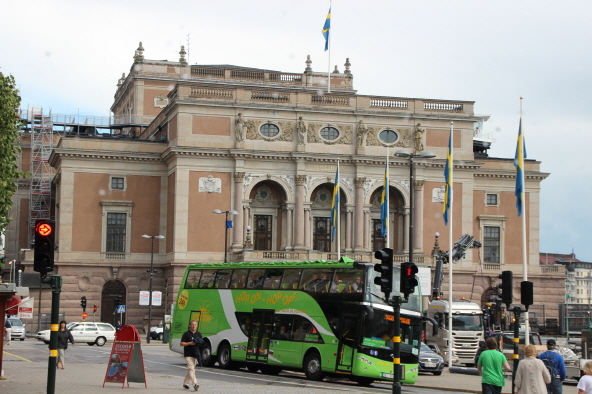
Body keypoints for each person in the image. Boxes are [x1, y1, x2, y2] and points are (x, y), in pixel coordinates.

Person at [180, 320, 202, 392]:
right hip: (188, 354)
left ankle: (185, 383)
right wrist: (190, 343)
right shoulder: (186, 334)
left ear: (197, 325)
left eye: (195, 325)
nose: (193, 326)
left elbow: (201, 343)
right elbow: (181, 343)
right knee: (191, 368)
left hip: (195, 354)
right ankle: (195, 384)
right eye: (192, 324)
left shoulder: (198, 334)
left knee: (190, 370)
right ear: (190, 325)